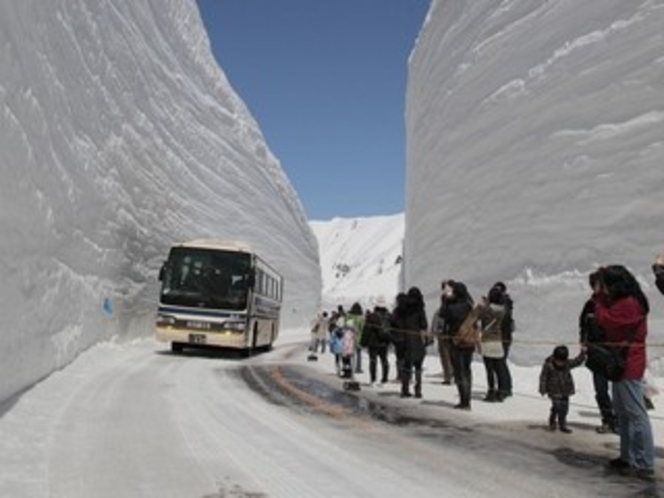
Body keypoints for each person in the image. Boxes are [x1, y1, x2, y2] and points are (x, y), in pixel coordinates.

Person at [594, 265, 655, 479]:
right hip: (622, 362)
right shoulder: (628, 299)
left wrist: (599, 299)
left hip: (629, 363)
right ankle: (628, 457)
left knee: (635, 414)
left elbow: (606, 320)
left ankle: (644, 462)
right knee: (623, 412)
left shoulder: (629, 303)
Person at [579, 271, 617, 434]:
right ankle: (608, 420)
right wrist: (584, 342)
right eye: (595, 285)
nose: (598, 288)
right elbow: (583, 325)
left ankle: (620, 421)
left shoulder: (614, 303)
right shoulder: (590, 305)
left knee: (619, 390)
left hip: (614, 353)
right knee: (601, 390)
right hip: (596, 353)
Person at [441, 281, 475, 410]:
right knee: (467, 369)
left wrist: (445, 299)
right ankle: (468, 398)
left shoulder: (453, 307)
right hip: (469, 341)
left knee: (459, 371)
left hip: (457, 342)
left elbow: (443, 314)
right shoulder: (469, 305)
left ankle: (464, 400)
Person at [392, 287, 429, 398]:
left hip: (405, 340)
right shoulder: (419, 308)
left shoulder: (402, 308)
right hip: (417, 339)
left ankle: (405, 389)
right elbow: (424, 325)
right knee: (418, 366)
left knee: (406, 366)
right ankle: (418, 390)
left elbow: (394, 321)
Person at [538, 345, 585, 433]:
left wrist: (583, 353)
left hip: (565, 390)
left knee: (564, 408)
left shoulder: (567, 364)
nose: (560, 363)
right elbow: (543, 377)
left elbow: (577, 362)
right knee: (557, 406)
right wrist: (542, 388)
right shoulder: (548, 365)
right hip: (553, 390)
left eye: (562, 361)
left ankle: (562, 424)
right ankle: (552, 420)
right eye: (559, 361)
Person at [475, 286, 510, 402]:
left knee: (489, 369)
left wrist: (480, 305)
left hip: (487, 341)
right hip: (498, 341)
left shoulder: (486, 309)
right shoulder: (502, 310)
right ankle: (501, 392)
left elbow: (475, 317)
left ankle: (491, 392)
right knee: (498, 368)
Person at [362, 296, 392, 386]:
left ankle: (373, 379)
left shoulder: (371, 316)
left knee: (373, 360)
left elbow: (366, 330)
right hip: (384, 342)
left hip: (373, 342)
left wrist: (363, 342)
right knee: (384, 360)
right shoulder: (389, 316)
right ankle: (385, 378)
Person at [492, 282, 514, 397]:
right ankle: (505, 387)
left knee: (500, 364)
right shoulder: (500, 302)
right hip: (499, 337)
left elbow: (503, 317)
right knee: (498, 364)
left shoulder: (505, 303)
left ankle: (505, 389)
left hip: (503, 337)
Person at [431, 280, 454, 385]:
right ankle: (453, 374)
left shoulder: (441, 310)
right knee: (452, 355)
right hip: (452, 334)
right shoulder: (456, 307)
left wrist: (434, 332)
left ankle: (448, 376)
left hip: (444, 335)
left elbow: (436, 321)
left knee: (445, 356)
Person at [390, 292, 408, 383]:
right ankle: (407, 375)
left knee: (400, 358)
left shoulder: (396, 311)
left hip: (398, 338)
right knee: (407, 358)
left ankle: (400, 375)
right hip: (408, 338)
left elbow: (392, 322)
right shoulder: (410, 310)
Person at [345, 302, 365, 374]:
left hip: (349, 336)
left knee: (349, 352)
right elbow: (362, 328)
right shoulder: (361, 317)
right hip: (358, 337)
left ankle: (348, 366)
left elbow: (346, 325)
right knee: (359, 353)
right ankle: (358, 368)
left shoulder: (349, 316)